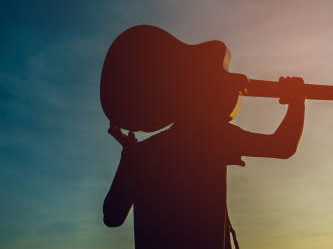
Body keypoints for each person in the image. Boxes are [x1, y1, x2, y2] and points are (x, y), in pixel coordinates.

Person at [103, 74, 306, 249]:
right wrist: (297, 101)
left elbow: (112, 217)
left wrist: (129, 156)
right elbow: (282, 146)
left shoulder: (141, 154)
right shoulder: (214, 138)